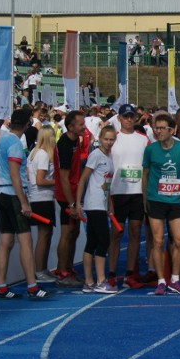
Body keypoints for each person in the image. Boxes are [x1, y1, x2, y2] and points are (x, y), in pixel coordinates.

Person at [0, 108, 53, 300]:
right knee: (25, 241)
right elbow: (14, 174)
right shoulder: (16, 145)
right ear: (27, 124)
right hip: (13, 194)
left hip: (2, 192)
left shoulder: (2, 140)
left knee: (6, 241)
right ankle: (32, 286)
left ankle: (1, 286)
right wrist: (24, 202)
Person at [142, 114, 180, 295]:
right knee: (157, 240)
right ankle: (161, 280)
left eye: (163, 128)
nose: (159, 131)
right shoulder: (150, 150)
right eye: (156, 128)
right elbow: (145, 174)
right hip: (155, 199)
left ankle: (176, 279)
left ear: (172, 130)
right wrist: (144, 198)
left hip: (176, 200)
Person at [109, 103, 152, 289]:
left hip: (137, 193)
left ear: (135, 118)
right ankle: (111, 273)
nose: (128, 119)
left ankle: (129, 274)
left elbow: (149, 166)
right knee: (116, 234)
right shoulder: (113, 139)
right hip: (117, 192)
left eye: (131, 116)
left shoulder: (143, 139)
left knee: (135, 232)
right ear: (119, 118)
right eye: (125, 116)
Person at [75, 125, 117, 293]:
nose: (109, 142)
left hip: (102, 202)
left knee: (92, 242)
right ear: (100, 137)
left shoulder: (109, 156)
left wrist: (109, 202)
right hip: (93, 203)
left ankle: (89, 281)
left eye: (112, 139)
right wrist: (78, 203)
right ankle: (100, 280)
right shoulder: (95, 155)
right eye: (106, 139)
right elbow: (83, 179)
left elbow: (106, 183)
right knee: (103, 240)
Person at [52, 110, 86, 287]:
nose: (84, 126)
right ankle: (61, 271)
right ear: (71, 127)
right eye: (81, 124)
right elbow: (63, 178)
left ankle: (69, 267)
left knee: (75, 232)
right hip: (66, 195)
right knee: (66, 234)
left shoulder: (76, 140)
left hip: (74, 193)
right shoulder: (64, 144)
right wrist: (71, 203)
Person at [27, 125, 57, 283]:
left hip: (37, 197)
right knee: (44, 235)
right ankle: (40, 270)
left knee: (45, 234)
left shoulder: (33, 153)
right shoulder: (44, 155)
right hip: (42, 198)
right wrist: (57, 182)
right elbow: (40, 180)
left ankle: (42, 269)